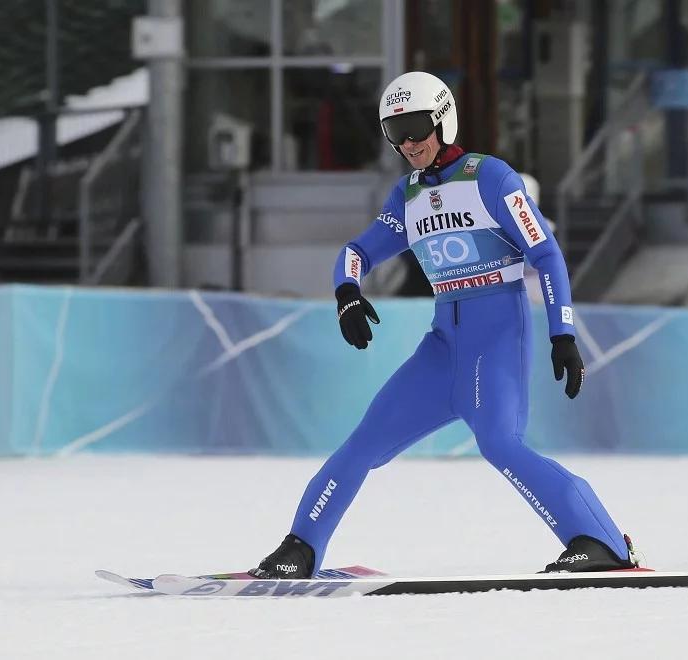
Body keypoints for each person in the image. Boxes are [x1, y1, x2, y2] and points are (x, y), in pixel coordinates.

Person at [250, 71, 637, 578]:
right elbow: (357, 252)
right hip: (443, 346)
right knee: (363, 443)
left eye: (415, 127)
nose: (408, 143)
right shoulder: (407, 196)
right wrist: (347, 292)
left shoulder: (491, 178)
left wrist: (562, 334)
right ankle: (301, 547)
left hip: (496, 335)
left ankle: (600, 541)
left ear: (443, 120)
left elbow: (547, 254)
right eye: (395, 131)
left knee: (499, 444)